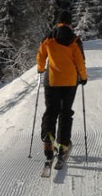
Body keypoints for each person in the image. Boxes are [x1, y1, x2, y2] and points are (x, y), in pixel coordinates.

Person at [36, 22, 88, 161]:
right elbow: (80, 61)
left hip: (52, 81)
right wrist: (83, 77)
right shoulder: (74, 41)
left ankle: (48, 138)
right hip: (70, 82)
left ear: (57, 24)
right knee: (65, 112)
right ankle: (63, 147)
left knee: (51, 110)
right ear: (70, 25)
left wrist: (41, 69)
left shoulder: (49, 39)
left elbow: (41, 55)